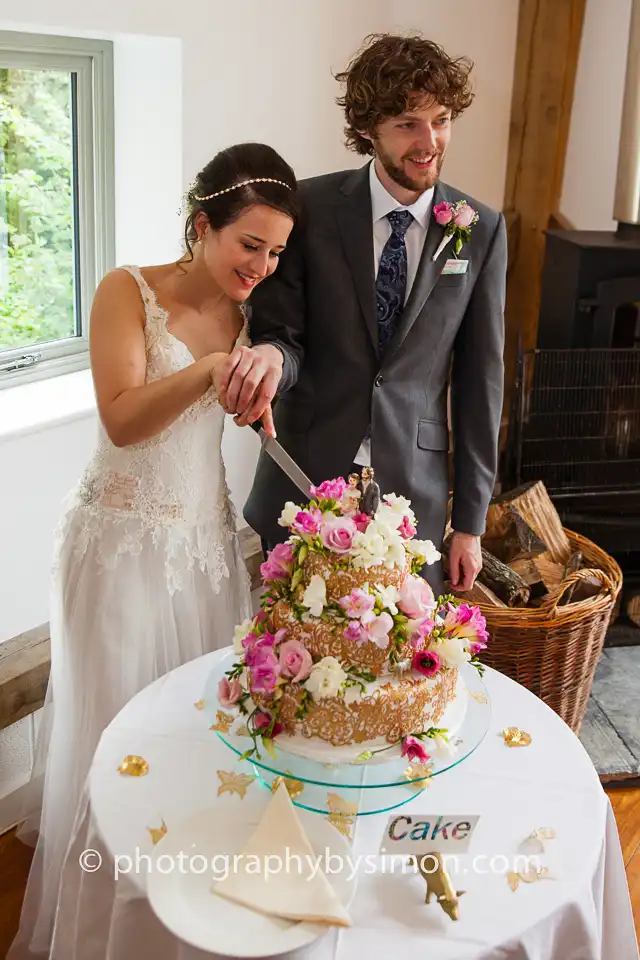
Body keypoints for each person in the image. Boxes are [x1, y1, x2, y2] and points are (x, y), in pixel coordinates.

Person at [9, 141, 298, 958]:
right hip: (120, 548)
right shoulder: (125, 291)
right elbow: (124, 419)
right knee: (117, 740)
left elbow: (233, 406)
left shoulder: (255, 318)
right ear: (202, 224)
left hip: (206, 550)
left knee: (195, 739)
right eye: (250, 244)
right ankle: (101, 929)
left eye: (275, 252)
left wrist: (250, 400)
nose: (262, 266)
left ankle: (177, 925)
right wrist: (210, 369)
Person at [219, 33, 507, 596]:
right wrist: (272, 357)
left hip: (413, 496)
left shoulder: (481, 229)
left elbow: (481, 381)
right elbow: (284, 336)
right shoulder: (308, 209)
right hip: (302, 479)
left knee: (392, 668)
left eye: (442, 120)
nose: (429, 142)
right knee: (292, 666)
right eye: (407, 123)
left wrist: (470, 521)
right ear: (368, 128)